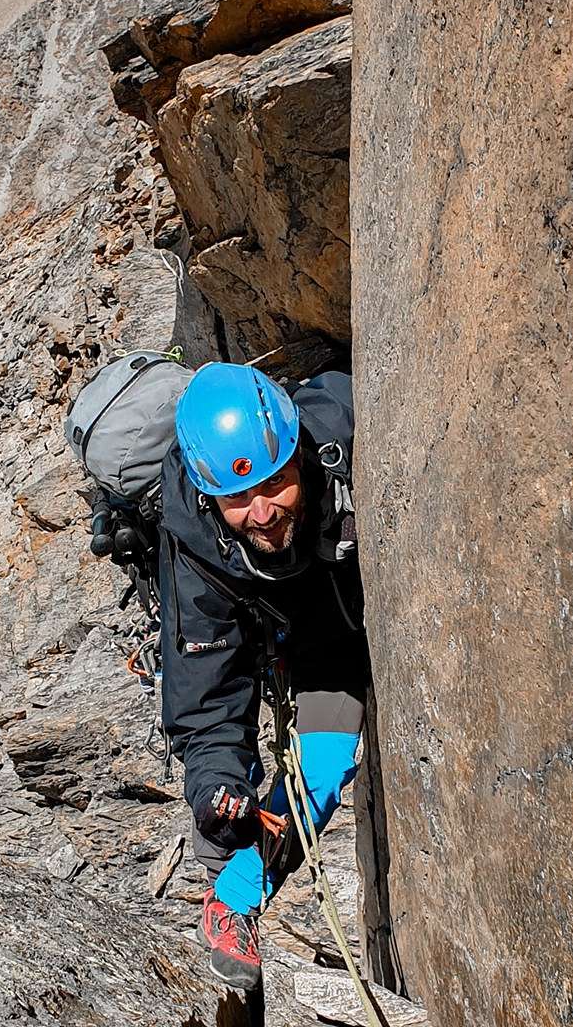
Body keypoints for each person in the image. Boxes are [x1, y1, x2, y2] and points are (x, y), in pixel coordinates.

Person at [157, 360, 369, 991]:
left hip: (352, 607)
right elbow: (207, 699)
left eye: (275, 483)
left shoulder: (342, 436)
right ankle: (235, 901)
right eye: (237, 498)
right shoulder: (197, 556)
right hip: (307, 643)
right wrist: (216, 790)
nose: (264, 511)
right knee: (324, 768)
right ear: (206, 494)